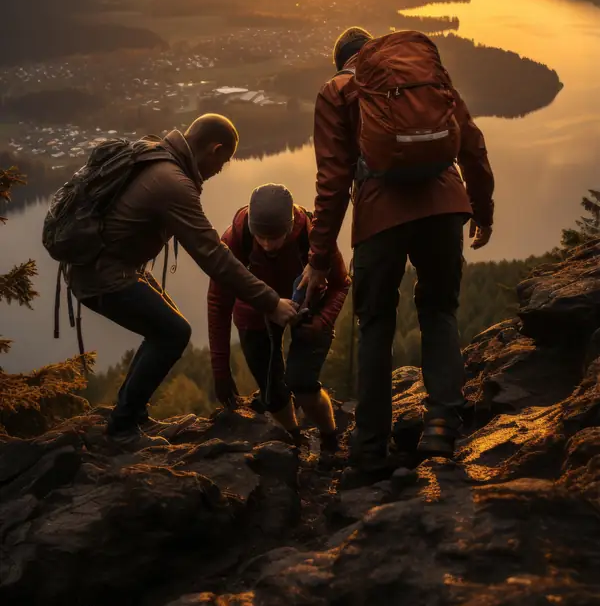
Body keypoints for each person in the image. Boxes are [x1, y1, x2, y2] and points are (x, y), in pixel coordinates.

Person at [300, 26, 495, 472]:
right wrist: (482, 211)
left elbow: (331, 182)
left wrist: (317, 260)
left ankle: (369, 447)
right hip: (445, 206)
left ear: (343, 62)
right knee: (439, 310)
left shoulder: (337, 91)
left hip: (380, 218)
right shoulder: (425, 79)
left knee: (375, 325)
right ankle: (442, 425)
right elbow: (473, 146)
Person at [68, 116, 297, 445]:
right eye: (224, 161)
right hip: (102, 274)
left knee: (164, 327)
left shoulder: (157, 154)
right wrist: (271, 302)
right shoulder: (173, 182)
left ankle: (130, 414)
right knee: (173, 333)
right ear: (214, 149)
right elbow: (213, 255)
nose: (221, 169)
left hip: (102, 265)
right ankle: (123, 427)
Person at [207, 183, 350, 456]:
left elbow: (340, 285)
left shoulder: (314, 237)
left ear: (291, 225)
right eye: (261, 237)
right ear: (251, 227)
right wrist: (220, 370)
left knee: (303, 383)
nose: (268, 244)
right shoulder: (236, 240)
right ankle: (294, 438)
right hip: (255, 313)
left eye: (277, 237)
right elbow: (218, 302)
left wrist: (322, 322)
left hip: (310, 311)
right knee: (272, 394)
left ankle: (330, 439)